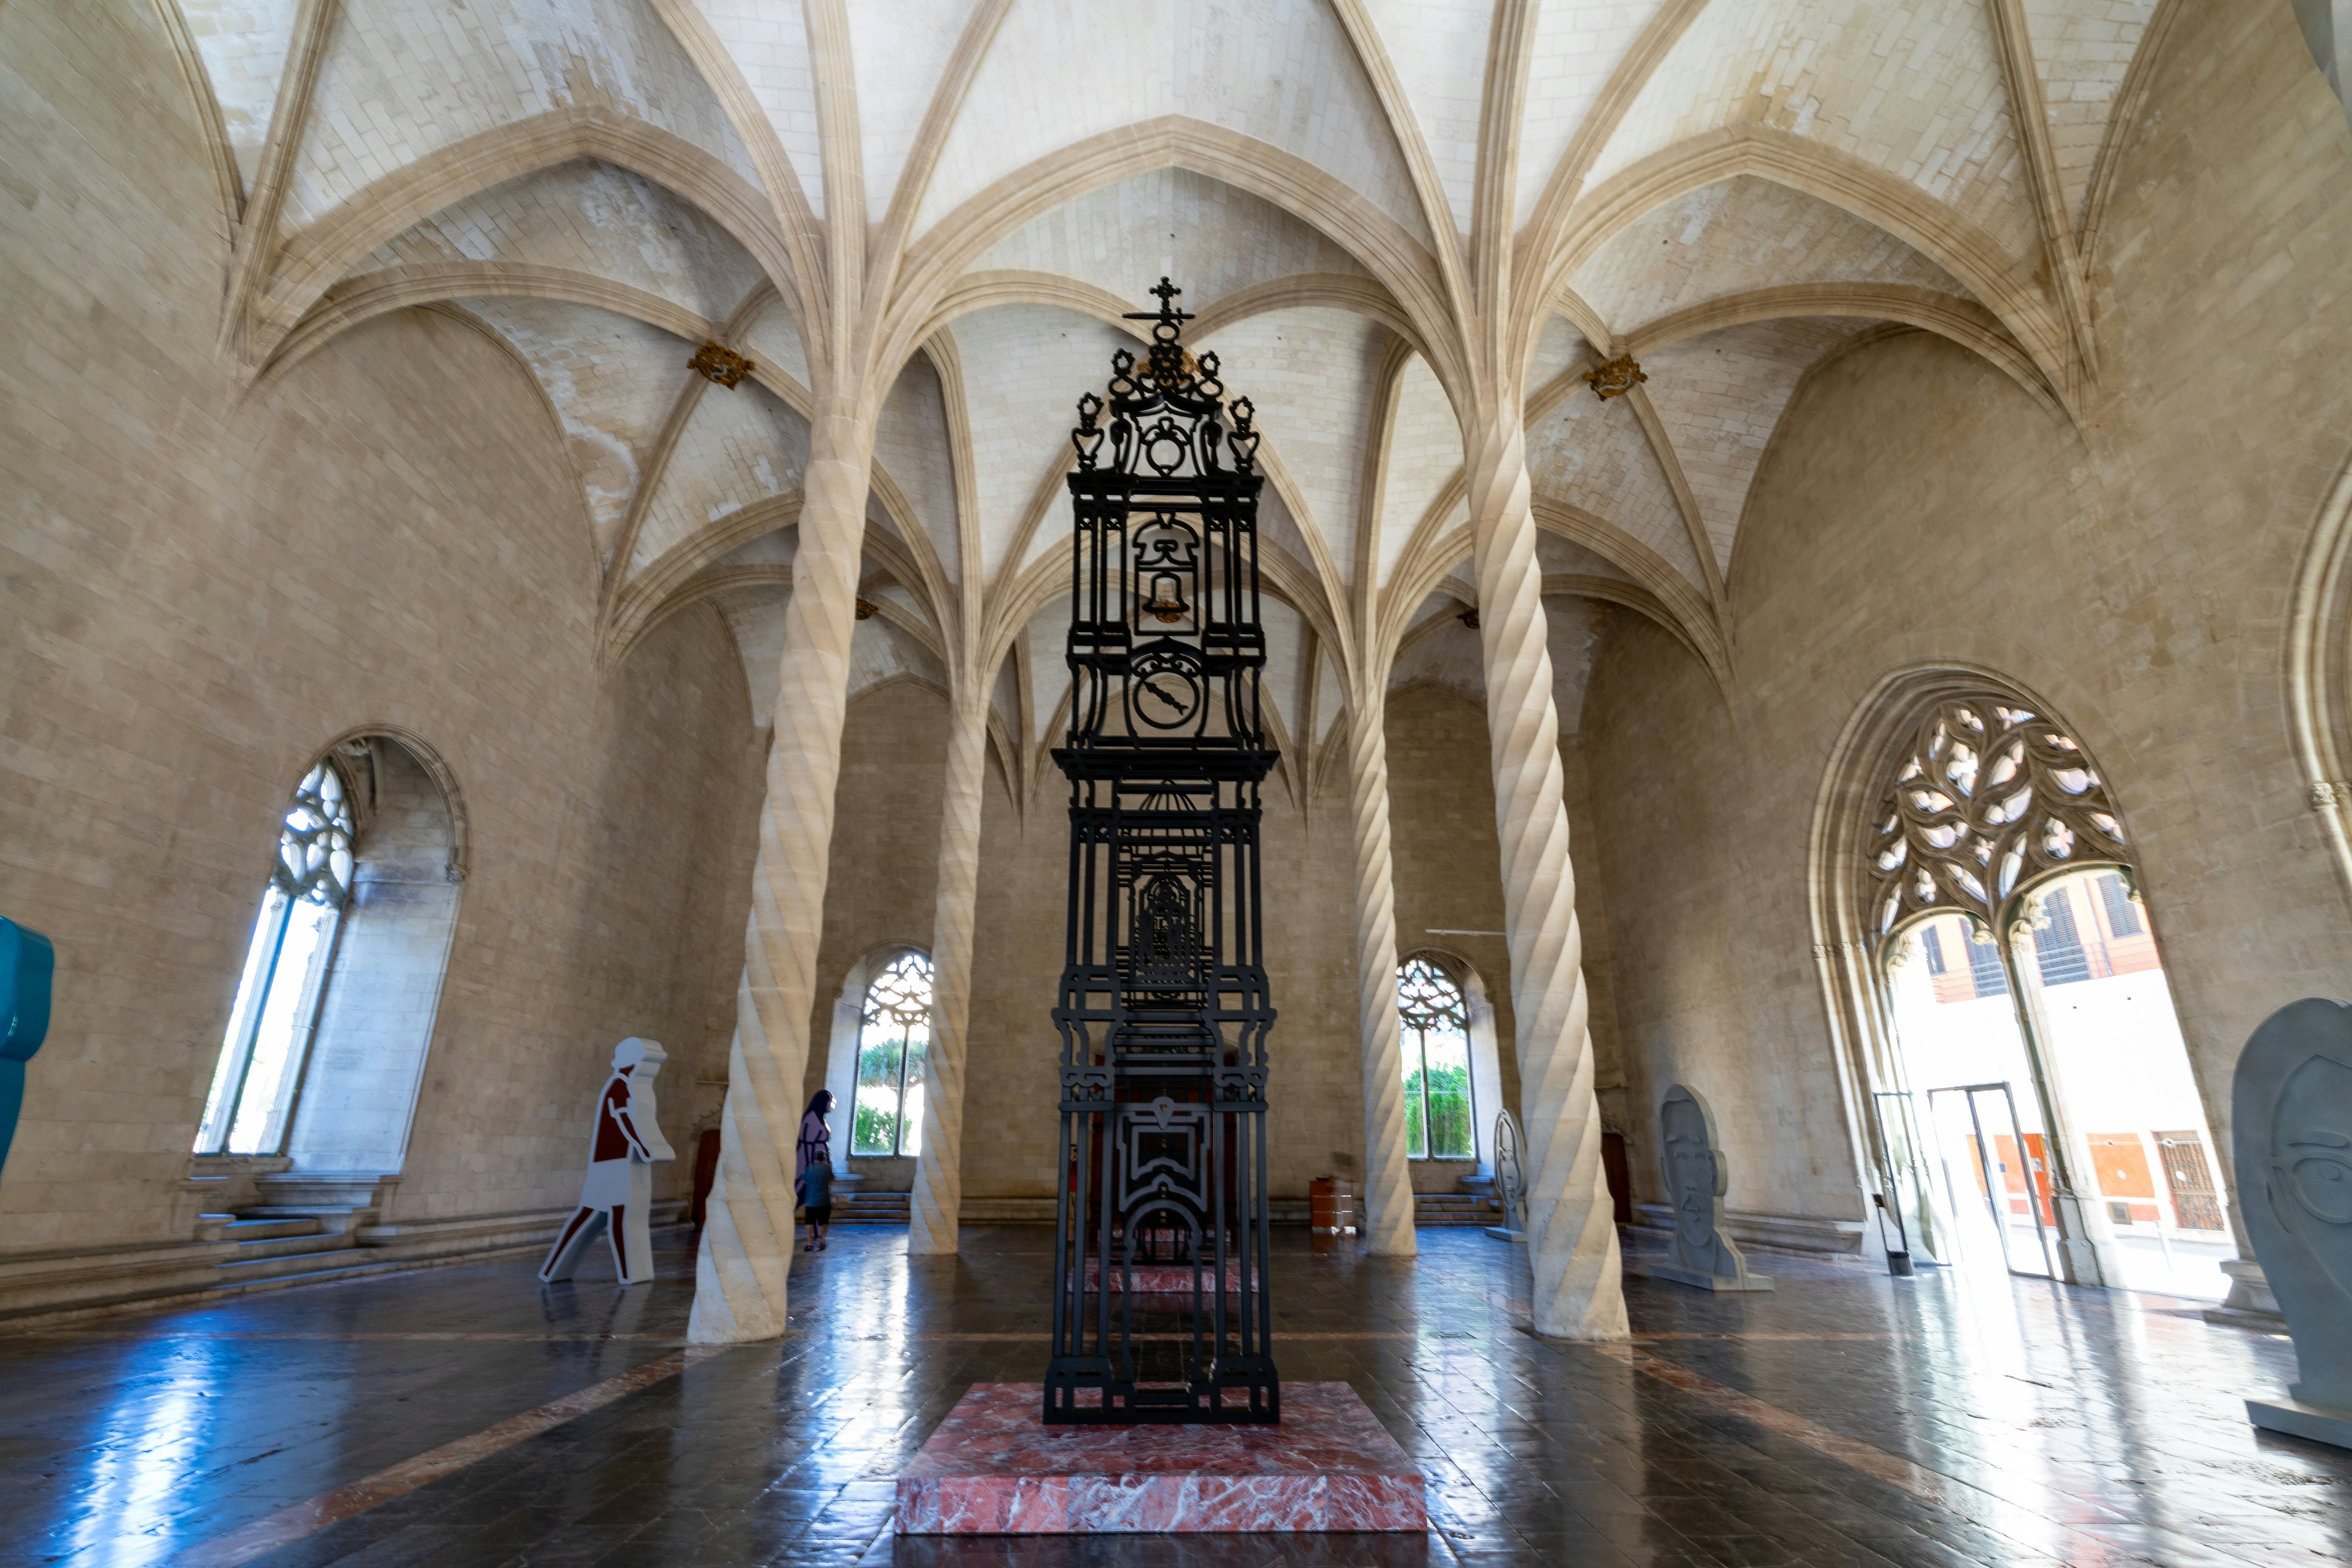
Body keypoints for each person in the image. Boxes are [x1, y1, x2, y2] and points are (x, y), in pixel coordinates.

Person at [540, 1038, 676, 1285]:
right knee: (607, 1216)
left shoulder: (637, 1088)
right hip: (612, 1162)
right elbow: (625, 1122)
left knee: (615, 1217)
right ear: (635, 1061)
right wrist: (644, 1147)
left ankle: (626, 1274)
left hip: (623, 1162)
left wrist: (648, 1147)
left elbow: (641, 1122)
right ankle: (558, 1270)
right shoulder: (619, 1085)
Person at [797, 1089, 835, 1252]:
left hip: (818, 1163)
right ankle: (817, 1238)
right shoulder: (811, 1119)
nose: (830, 1107)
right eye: (829, 1103)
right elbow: (807, 1144)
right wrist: (809, 1166)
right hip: (810, 1161)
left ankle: (817, 1238)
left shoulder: (819, 1119)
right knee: (800, 1193)